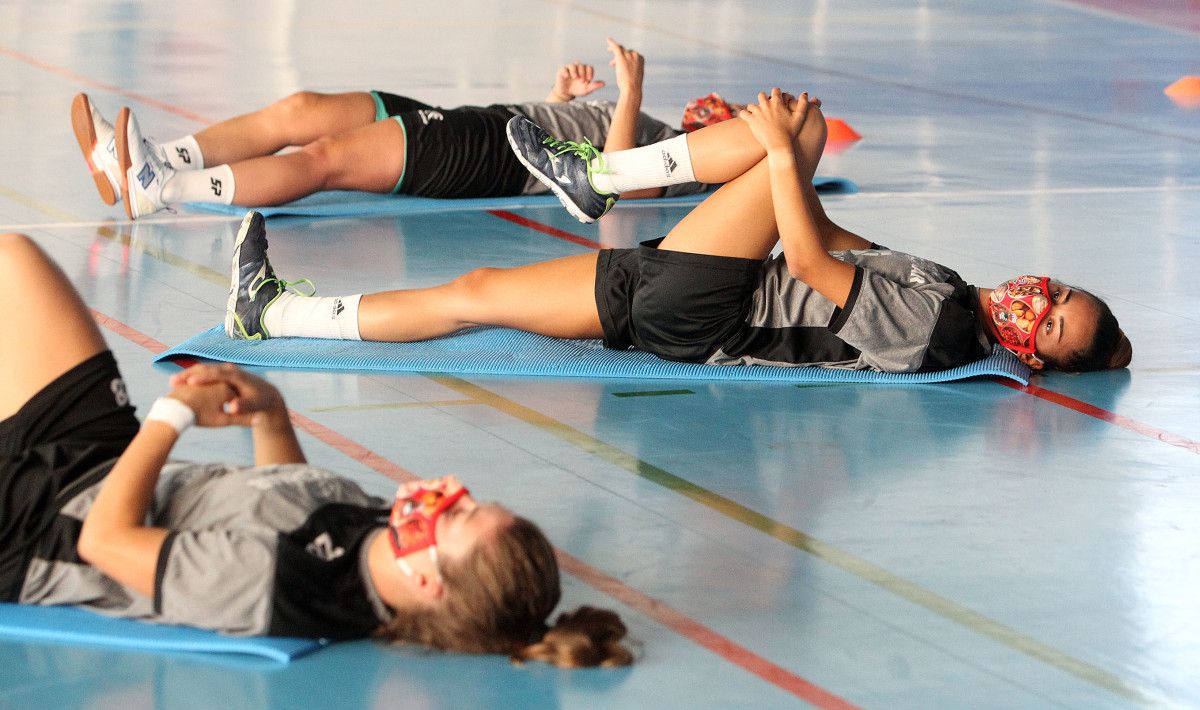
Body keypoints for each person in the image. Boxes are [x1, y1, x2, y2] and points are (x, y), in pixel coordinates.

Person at [0, 233, 633, 667]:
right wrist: (269, 412)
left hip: (31, 525)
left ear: (425, 581)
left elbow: (103, 543)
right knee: (15, 259)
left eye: (459, 518)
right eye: (473, 502)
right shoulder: (374, 541)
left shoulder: (277, 588)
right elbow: (285, 503)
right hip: (93, 462)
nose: (450, 492)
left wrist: (170, 418)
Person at [224, 88, 1131, 375]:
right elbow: (831, 232)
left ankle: (600, 177)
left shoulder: (939, 330)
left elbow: (810, 261)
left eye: (1050, 327)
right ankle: (272, 316)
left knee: (803, 127)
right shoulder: (944, 280)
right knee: (476, 294)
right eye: (1059, 295)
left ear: (1036, 357)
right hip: (690, 283)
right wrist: (786, 175)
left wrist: (779, 152)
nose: (1037, 305)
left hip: (715, 307)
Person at [70, 38, 710, 221]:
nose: (710, 112)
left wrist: (630, 96)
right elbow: (570, 144)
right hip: (494, 126)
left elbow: (625, 185)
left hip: (486, 152)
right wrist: (561, 99)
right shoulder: (664, 130)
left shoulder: (681, 155)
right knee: (300, 109)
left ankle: (161, 189)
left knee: (324, 159)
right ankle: (162, 157)